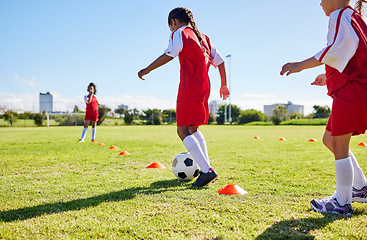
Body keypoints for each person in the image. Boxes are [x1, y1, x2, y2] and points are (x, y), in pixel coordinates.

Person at [281, 0, 367, 215]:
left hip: (351, 91)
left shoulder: (339, 15)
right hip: (355, 89)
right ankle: (360, 188)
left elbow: (334, 49)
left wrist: (299, 65)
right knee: (329, 140)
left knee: (338, 143)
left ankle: (341, 201)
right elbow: (352, 57)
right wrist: (328, 76)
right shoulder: (354, 17)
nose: (319, 3)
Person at [138, 7, 230, 187]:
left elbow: (169, 54)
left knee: (182, 130)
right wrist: (224, 84)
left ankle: (206, 171)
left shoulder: (179, 33)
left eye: (170, 27)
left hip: (189, 87)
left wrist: (146, 69)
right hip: (205, 88)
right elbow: (220, 61)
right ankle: (207, 168)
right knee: (193, 129)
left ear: (173, 22)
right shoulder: (204, 37)